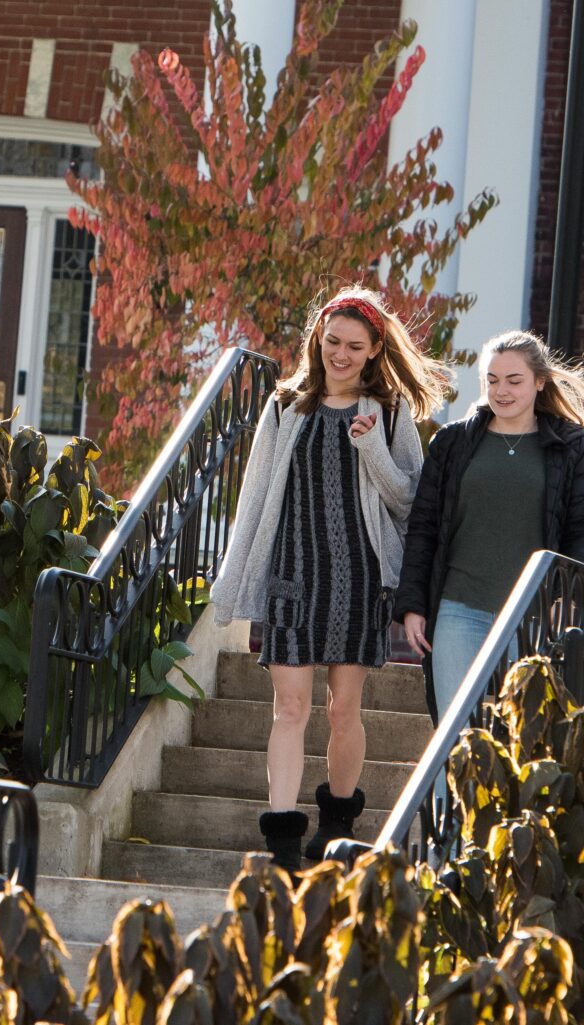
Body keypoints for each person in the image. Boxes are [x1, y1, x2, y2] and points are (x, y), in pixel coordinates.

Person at [208, 288, 445, 869]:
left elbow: (410, 499)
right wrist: (237, 578)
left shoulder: (388, 413)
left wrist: (373, 451)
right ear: (318, 337)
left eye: (354, 346)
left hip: (360, 577)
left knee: (344, 709)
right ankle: (283, 840)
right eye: (333, 341)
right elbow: (258, 495)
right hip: (293, 572)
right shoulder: (286, 406)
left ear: (374, 350)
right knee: (289, 708)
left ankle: (337, 824)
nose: (341, 354)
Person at [391, 330, 584, 718]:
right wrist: (412, 605)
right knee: (454, 738)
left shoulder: (569, 446)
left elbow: (583, 532)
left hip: (532, 618)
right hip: (458, 610)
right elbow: (423, 529)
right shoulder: (451, 443)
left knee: (525, 739)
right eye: (492, 380)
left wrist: (564, 599)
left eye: (514, 380)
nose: (501, 390)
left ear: (539, 382)